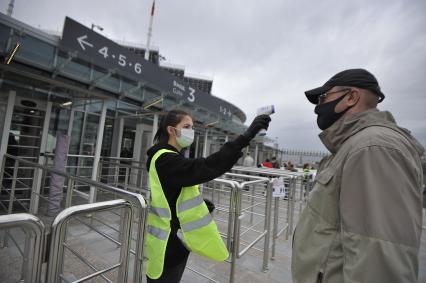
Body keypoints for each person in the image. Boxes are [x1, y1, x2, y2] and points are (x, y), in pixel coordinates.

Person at [291, 69, 424, 283]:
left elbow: (379, 257)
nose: (319, 106)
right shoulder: (354, 145)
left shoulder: (374, 148)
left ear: (352, 97)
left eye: (324, 97)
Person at [145, 109, 271, 282]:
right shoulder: (164, 159)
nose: (191, 131)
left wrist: (201, 204)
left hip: (174, 239)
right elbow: (205, 167)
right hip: (167, 244)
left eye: (192, 127)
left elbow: (173, 193)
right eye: (187, 126)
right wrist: (245, 137)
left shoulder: (169, 157)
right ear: (171, 130)